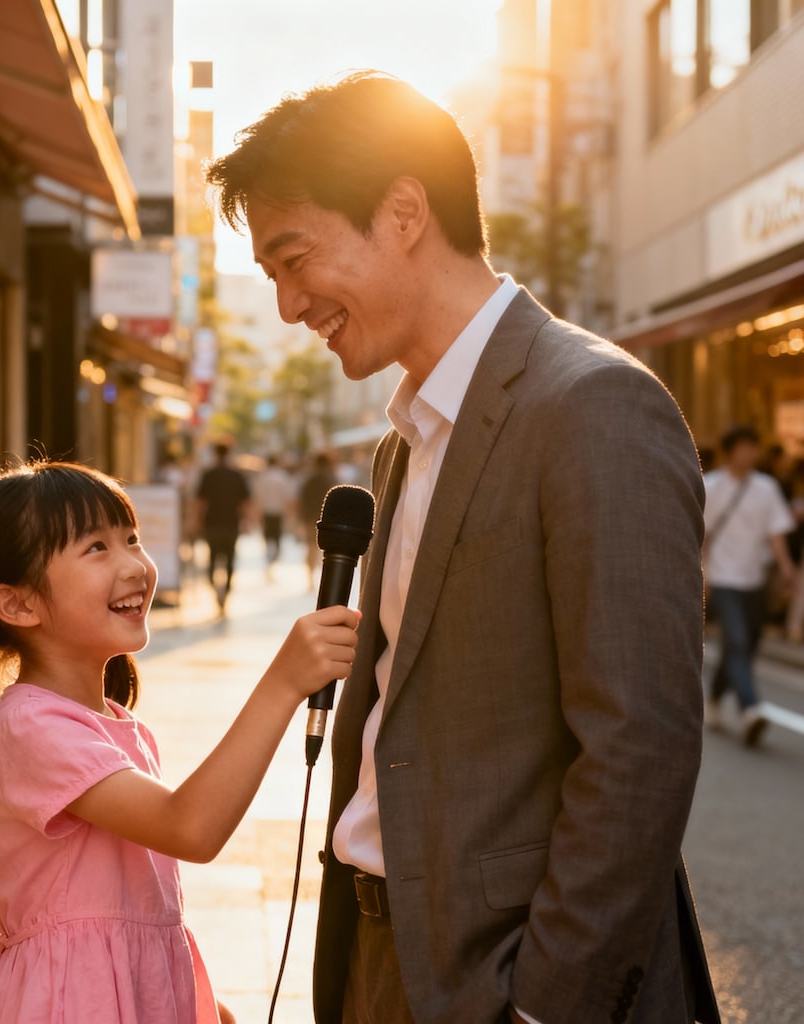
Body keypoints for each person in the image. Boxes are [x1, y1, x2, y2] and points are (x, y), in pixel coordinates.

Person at [206, 71, 718, 1024]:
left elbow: (640, 748)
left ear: (403, 210)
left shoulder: (593, 405)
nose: (285, 304)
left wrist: (543, 1006)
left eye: (293, 258)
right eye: (270, 277)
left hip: (504, 978)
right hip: (377, 948)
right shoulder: (407, 437)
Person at [0, 459, 359, 1024]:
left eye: (131, 539)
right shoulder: (31, 728)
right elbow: (190, 827)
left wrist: (202, 1002)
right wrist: (283, 683)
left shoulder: (111, 722)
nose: (135, 564)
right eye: (96, 548)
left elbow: (134, 906)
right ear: (18, 604)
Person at [703, 425, 796, 743]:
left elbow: (776, 533)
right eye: (744, 447)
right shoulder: (710, 486)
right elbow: (703, 536)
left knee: (744, 645)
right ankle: (751, 709)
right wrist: (701, 573)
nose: (751, 453)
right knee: (738, 641)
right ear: (730, 451)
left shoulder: (766, 488)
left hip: (754, 580)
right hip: (723, 579)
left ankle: (714, 698)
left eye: (753, 447)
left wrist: (786, 568)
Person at [193, 443, 252, 613]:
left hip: (212, 523)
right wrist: (247, 521)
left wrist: (196, 521)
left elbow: (200, 501)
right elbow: (245, 501)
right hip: (231, 523)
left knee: (212, 558)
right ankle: (225, 593)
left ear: (215, 454)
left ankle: (215, 591)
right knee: (230, 559)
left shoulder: (208, 475)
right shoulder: (236, 475)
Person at [298, 451, 338, 588]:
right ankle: (324, 579)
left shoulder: (309, 480)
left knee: (311, 547)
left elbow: (302, 500)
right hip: (327, 520)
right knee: (327, 551)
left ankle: (310, 577)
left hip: (310, 518)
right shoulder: (331, 479)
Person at [254, 453, 295, 576]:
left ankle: (269, 559)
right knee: (277, 537)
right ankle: (273, 559)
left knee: (267, 537)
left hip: (266, 512)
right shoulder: (283, 477)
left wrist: (257, 513)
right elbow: (288, 496)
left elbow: (258, 497)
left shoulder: (262, 477)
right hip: (279, 512)